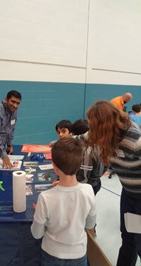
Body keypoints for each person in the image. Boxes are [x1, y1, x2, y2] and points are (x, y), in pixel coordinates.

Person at [84, 100, 141, 266]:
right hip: (129, 193)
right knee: (128, 237)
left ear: (104, 125)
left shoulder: (135, 141)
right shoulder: (102, 134)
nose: (91, 128)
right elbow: (83, 137)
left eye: (93, 124)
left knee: (138, 242)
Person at [31, 137, 96, 266]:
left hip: (51, 254)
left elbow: (36, 234)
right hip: (79, 254)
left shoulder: (45, 197)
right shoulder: (89, 191)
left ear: (54, 167)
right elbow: (90, 225)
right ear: (79, 163)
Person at [71, 119, 106, 195]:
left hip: (87, 187)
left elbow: (84, 179)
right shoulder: (97, 146)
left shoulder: (87, 152)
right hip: (94, 183)